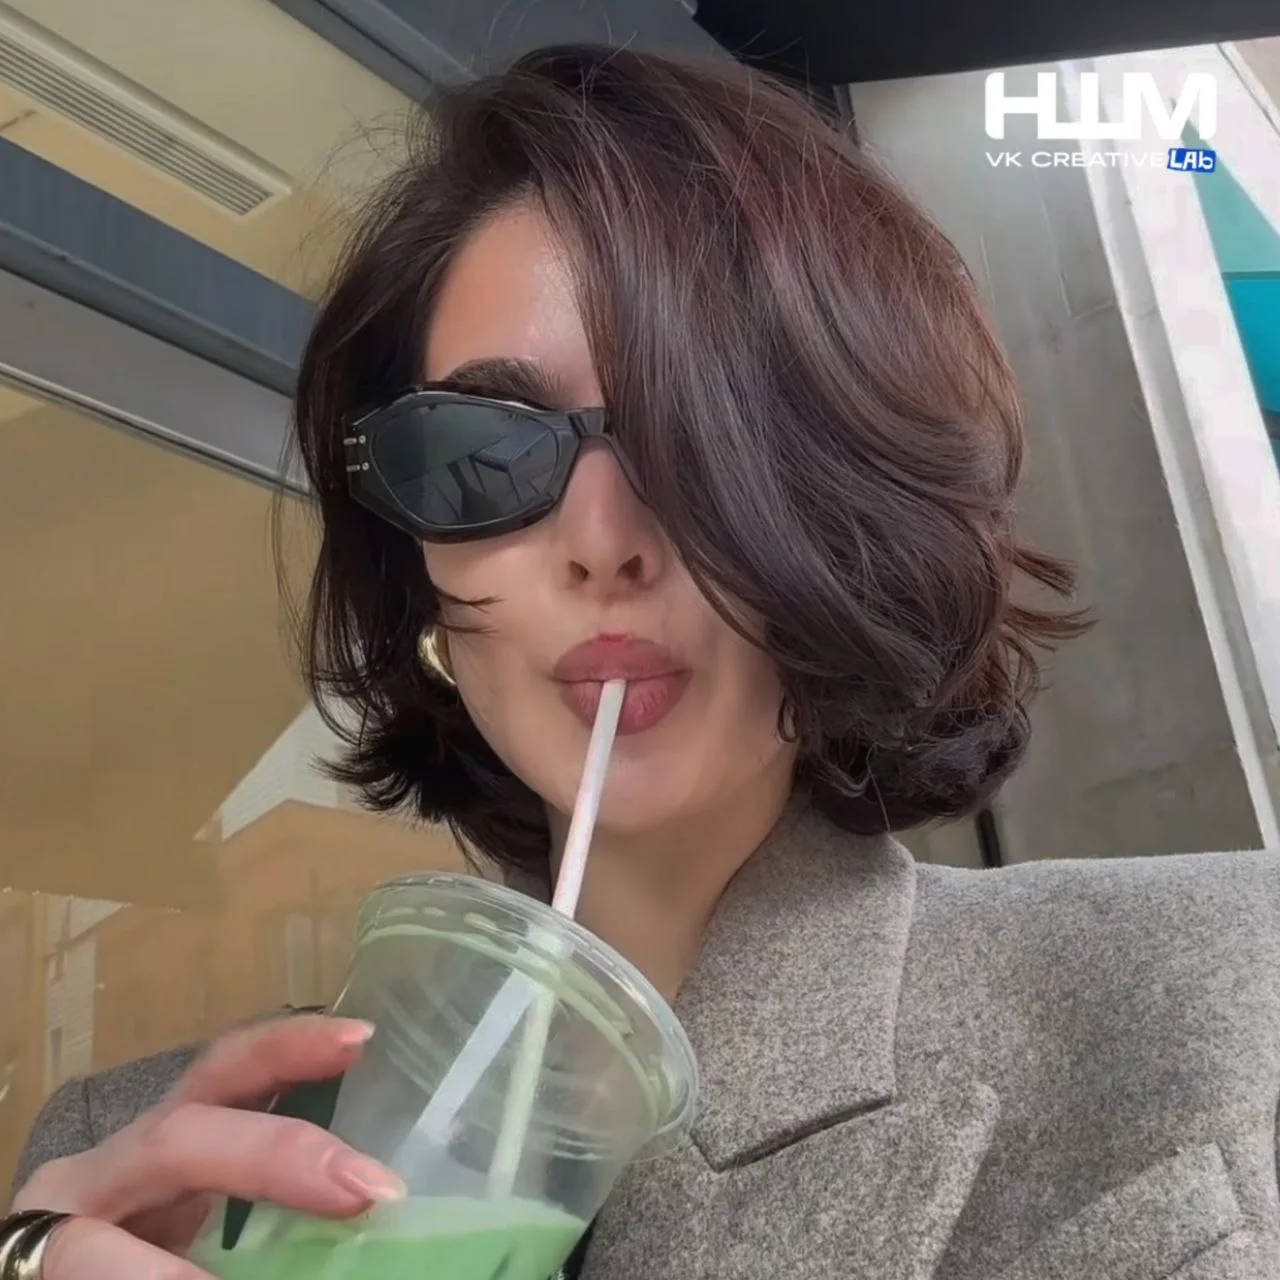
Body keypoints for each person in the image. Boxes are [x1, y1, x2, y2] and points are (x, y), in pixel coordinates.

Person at [6, 41, 1280, 1280]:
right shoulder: (133, 1165)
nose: (602, 541)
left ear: (853, 503)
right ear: (415, 562)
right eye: (480, 452)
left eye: (700, 436)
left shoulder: (1219, 1002)